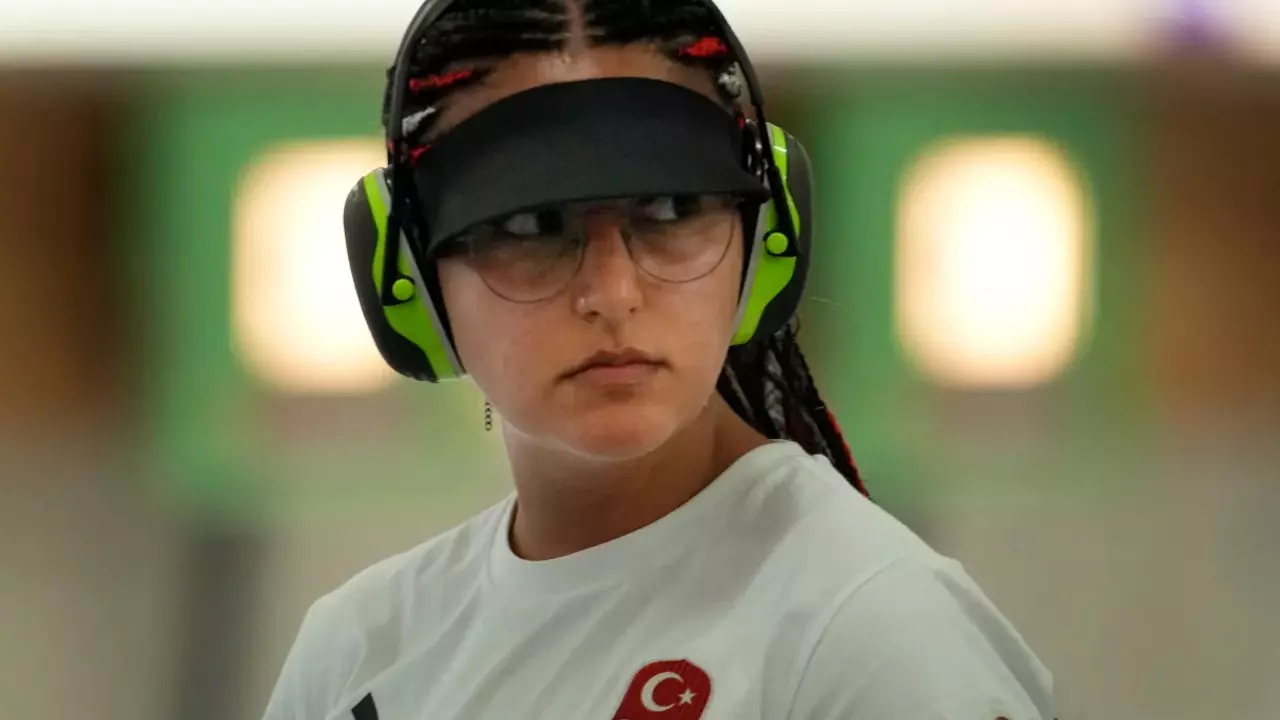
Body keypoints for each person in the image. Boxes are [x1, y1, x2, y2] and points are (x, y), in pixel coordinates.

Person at [263, 0, 1055, 718]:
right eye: (530, 224)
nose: (612, 293)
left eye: (673, 209)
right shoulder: (356, 653)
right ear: (409, 275)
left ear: (764, 241)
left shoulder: (871, 632)